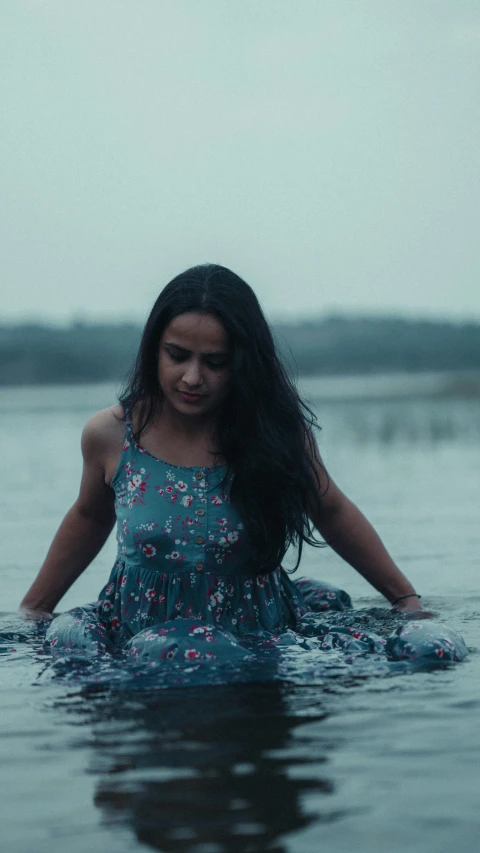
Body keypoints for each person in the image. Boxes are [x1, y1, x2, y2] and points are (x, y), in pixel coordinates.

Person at [20, 263, 429, 661]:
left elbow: (331, 508)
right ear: (153, 350)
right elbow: (89, 517)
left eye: (215, 362)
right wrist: (34, 610)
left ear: (243, 363)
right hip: (138, 644)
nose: (193, 378)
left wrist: (405, 600)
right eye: (177, 355)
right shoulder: (111, 435)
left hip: (257, 638)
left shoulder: (274, 434)